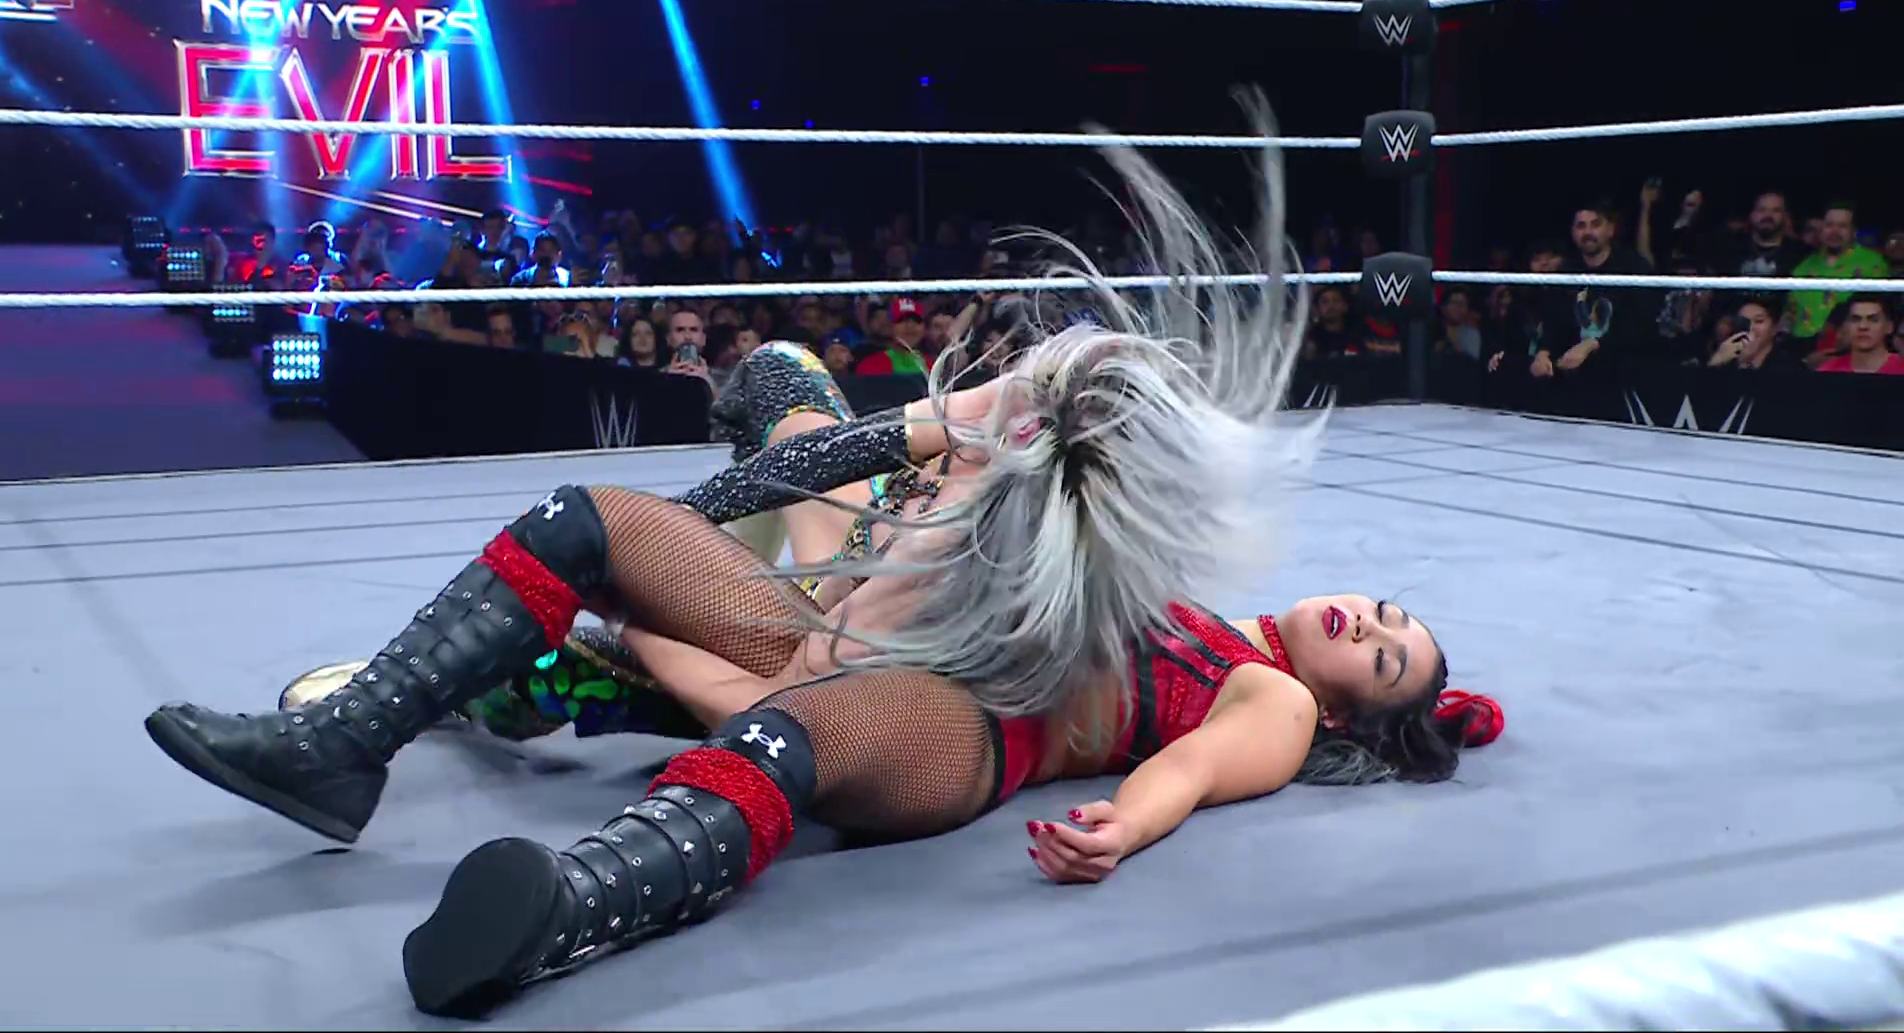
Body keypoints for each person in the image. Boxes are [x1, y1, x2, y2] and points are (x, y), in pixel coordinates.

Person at [140, 93, 1503, 1017]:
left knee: (789, 727)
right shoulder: (1163, 571)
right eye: (1389, 611)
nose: (1367, 624)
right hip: (855, 622)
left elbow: (1189, 773)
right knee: (587, 518)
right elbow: (857, 469)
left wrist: (1124, 829)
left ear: (1347, 710)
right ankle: (338, 751)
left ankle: (572, 908)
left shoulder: (1268, 698)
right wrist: (703, 527)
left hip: (962, 729)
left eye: (1386, 658)